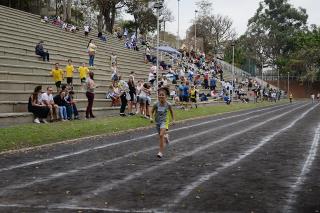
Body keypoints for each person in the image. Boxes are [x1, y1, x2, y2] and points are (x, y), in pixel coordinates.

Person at [151, 87, 175, 158]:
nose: (161, 96)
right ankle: (166, 137)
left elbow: (171, 111)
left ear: (166, 96)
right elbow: (151, 111)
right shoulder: (156, 104)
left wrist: (173, 119)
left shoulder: (168, 104)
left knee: (161, 135)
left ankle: (160, 152)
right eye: (160, 95)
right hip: (157, 122)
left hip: (164, 121)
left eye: (162, 95)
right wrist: (151, 117)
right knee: (161, 135)